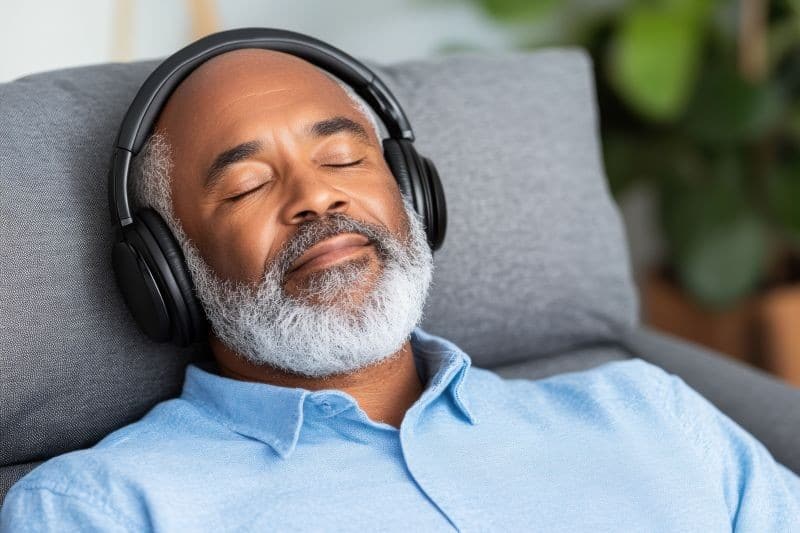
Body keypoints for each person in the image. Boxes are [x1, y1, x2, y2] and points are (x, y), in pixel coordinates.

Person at [2, 43, 799, 533]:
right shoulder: (102, 509)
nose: (318, 197)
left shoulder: (647, 411)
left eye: (346, 159)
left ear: (412, 195)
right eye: (246, 184)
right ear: (167, 272)